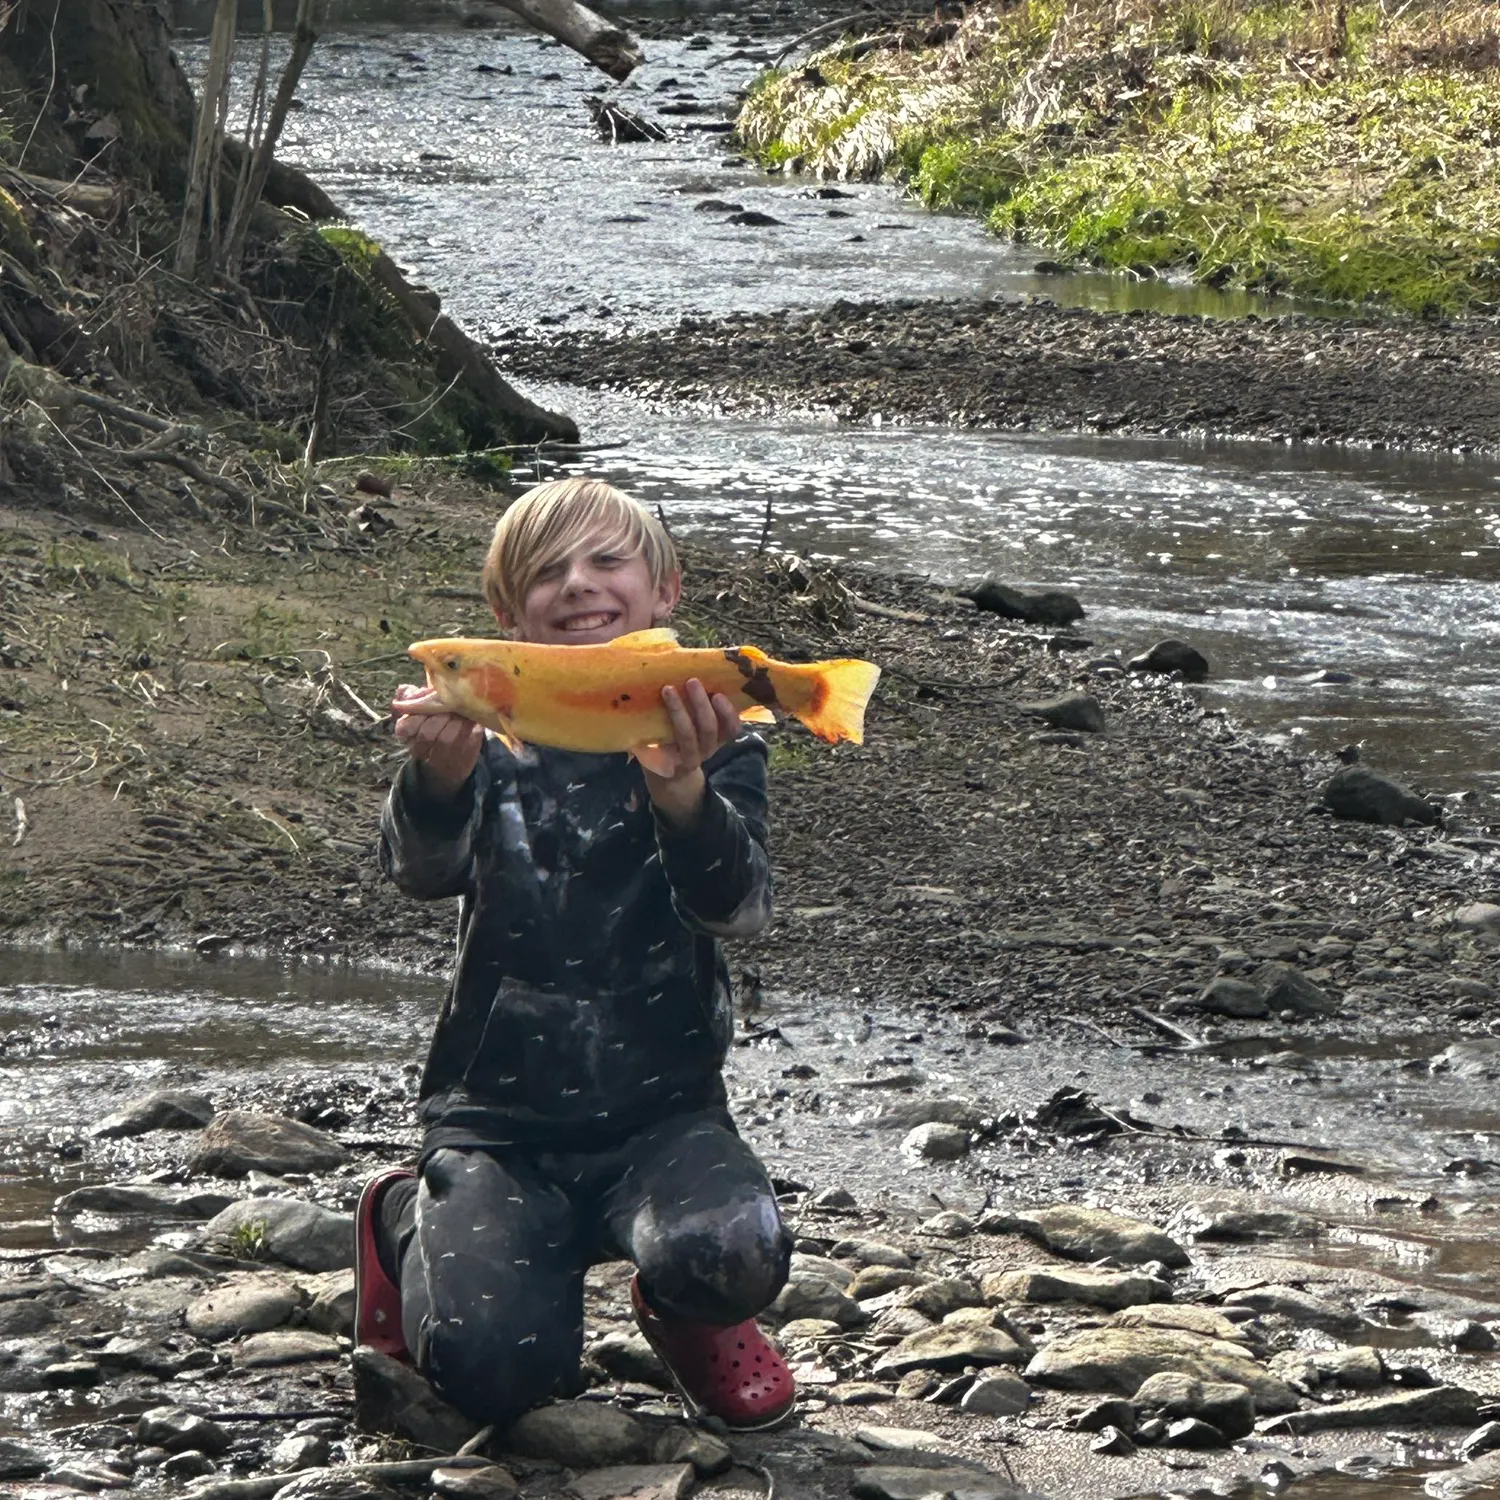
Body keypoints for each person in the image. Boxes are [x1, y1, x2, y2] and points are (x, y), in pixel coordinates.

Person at [355, 477, 795, 1433]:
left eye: (606, 561)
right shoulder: (483, 740)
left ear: (664, 591)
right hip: (497, 1126)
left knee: (738, 1251)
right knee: (496, 1378)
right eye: (547, 573)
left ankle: (683, 1313)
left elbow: (740, 913)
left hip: (664, 1115)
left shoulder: (713, 736)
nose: (579, 585)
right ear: (509, 618)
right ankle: (402, 1221)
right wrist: (437, 774)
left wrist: (681, 792)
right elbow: (419, 876)